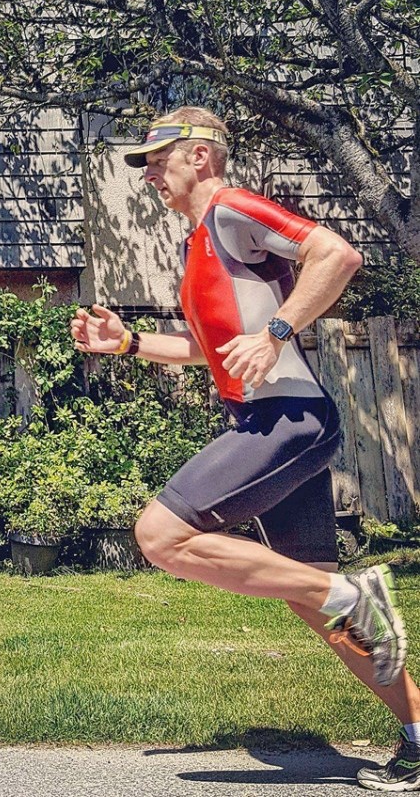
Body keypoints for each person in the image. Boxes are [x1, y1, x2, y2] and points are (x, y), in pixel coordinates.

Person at [70, 105, 419, 792]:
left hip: (284, 421)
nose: (149, 179)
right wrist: (131, 344)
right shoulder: (200, 242)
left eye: (156, 162)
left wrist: (280, 332)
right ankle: (417, 732)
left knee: (160, 534)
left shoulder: (230, 209)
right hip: (276, 422)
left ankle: (347, 592)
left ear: (199, 155)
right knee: (312, 604)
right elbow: (208, 350)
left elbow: (337, 254)